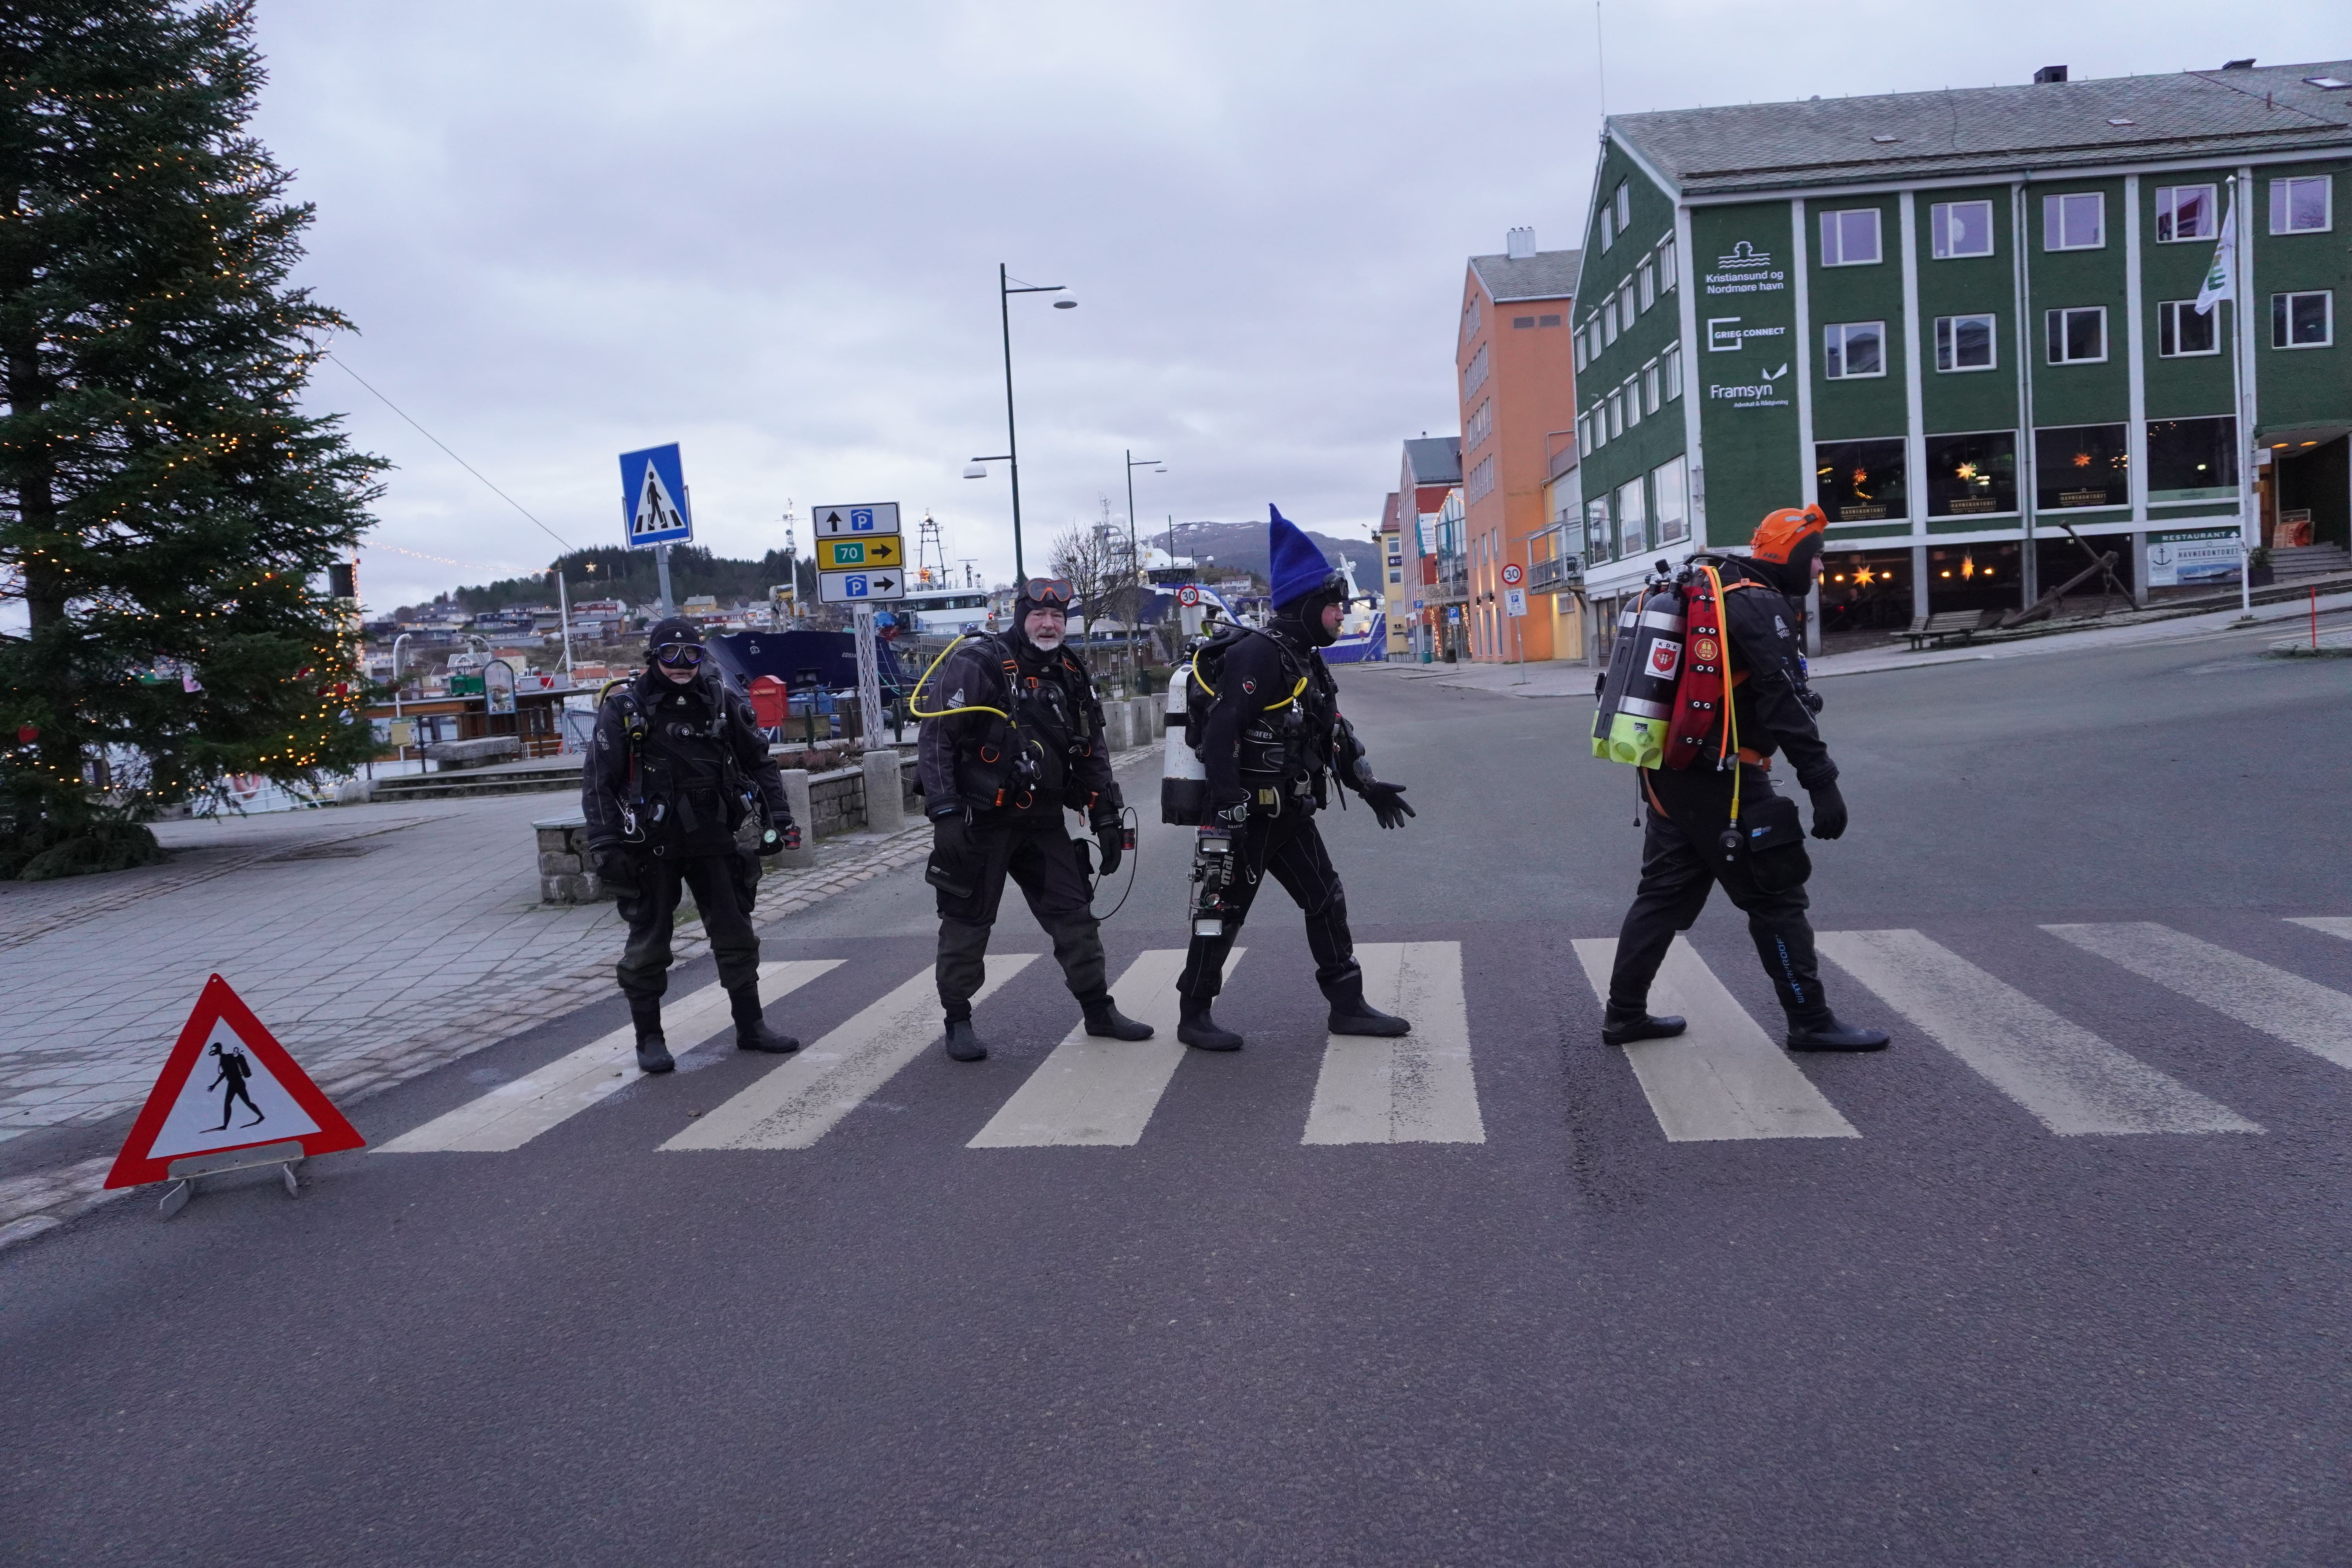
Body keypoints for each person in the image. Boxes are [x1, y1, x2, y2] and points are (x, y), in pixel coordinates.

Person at [1601, 506, 1889, 1052]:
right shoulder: (1757, 603)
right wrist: (1822, 782)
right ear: (1794, 554)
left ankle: (1624, 1014)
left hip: (1671, 772)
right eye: (1817, 556)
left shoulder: (1721, 591)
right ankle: (1811, 1020)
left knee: (1662, 896)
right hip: (1725, 775)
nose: (1821, 568)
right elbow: (1784, 700)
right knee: (1777, 896)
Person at [1174, 506, 1417, 1052]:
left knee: (1326, 899)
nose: (1341, 615)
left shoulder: (1304, 659)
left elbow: (1330, 731)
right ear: (1308, 604)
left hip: (1289, 815)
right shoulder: (1258, 655)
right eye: (1335, 606)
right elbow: (1220, 732)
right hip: (1244, 817)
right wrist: (1229, 805)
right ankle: (1194, 1014)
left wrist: (1368, 785)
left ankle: (1347, 1006)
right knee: (1220, 913)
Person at [915, 579, 1151, 1062]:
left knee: (1076, 918)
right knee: (967, 923)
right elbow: (937, 737)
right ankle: (958, 1020)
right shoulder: (979, 663)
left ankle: (1098, 1010)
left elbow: (1091, 747)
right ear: (1021, 616)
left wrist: (1105, 813)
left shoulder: (1069, 670)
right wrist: (944, 813)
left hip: (1043, 822)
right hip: (982, 821)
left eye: (1057, 617)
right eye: (1039, 616)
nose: (1048, 625)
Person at [583, 617, 804, 1074]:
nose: (681, 664)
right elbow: (599, 781)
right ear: (654, 657)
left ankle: (751, 1026)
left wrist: (779, 816)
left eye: (692, 655)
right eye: (670, 655)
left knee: (736, 934)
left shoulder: (721, 700)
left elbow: (759, 762)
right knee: (649, 943)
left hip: (716, 836)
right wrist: (605, 843)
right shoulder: (625, 708)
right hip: (651, 843)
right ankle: (650, 1039)